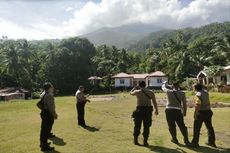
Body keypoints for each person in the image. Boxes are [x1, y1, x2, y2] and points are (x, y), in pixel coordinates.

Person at [130, 81, 158, 146]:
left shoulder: (137, 92)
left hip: (139, 110)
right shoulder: (151, 92)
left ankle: (135, 141)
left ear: (139, 85)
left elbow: (130, 93)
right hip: (148, 111)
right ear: (145, 85)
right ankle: (145, 141)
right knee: (147, 126)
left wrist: (134, 88)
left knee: (137, 126)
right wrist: (156, 110)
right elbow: (154, 102)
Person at [162, 81, 190, 146]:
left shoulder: (169, 91)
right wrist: (184, 112)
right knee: (182, 125)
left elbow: (163, 88)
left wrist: (164, 83)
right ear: (178, 85)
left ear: (172, 85)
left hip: (169, 110)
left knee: (171, 125)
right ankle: (186, 140)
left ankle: (174, 139)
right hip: (178, 110)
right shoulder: (182, 93)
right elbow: (184, 104)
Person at [191, 83, 216, 148]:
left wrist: (195, 114)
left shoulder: (198, 94)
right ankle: (211, 141)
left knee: (196, 128)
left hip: (201, 113)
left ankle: (195, 143)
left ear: (196, 88)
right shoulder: (205, 92)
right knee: (209, 127)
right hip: (208, 111)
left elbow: (198, 105)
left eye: (193, 87)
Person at [40, 82, 58, 152]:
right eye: (52, 87)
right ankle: (44, 146)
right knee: (46, 130)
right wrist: (54, 114)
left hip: (43, 112)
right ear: (49, 88)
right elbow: (51, 107)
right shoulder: (49, 95)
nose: (53, 88)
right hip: (48, 113)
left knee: (43, 129)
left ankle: (43, 143)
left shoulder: (43, 94)